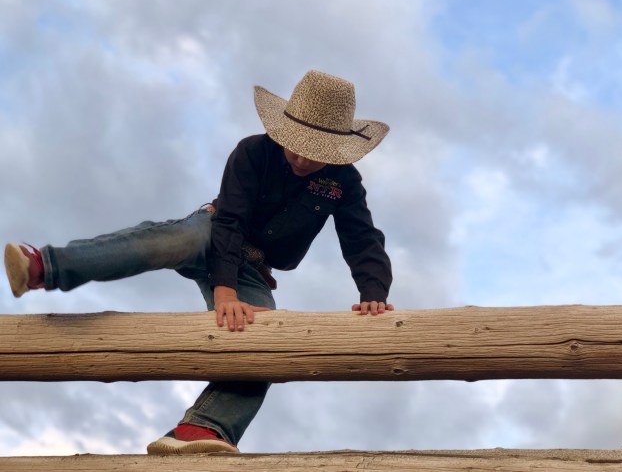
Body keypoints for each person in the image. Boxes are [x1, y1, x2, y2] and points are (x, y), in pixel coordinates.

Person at [4, 70, 394, 454]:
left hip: (252, 268)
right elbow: (230, 221)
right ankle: (44, 266)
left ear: (335, 150)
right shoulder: (253, 152)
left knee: (265, 338)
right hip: (213, 232)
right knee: (170, 241)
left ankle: (203, 427)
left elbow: (362, 239)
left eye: (316, 153)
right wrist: (224, 291)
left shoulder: (345, 182)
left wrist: (373, 294)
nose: (302, 158)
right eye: (295, 145)